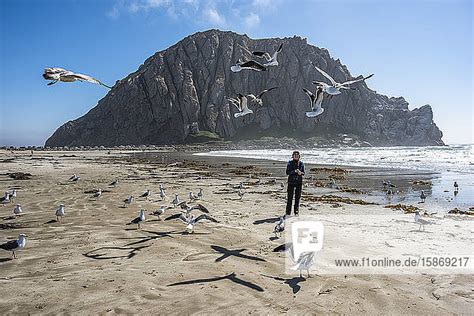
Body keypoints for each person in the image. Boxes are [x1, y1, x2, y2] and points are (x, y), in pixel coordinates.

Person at [286, 151, 305, 216]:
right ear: (292, 156)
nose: (296, 156)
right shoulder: (289, 163)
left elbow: (303, 173)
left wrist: (300, 173)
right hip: (291, 182)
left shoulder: (301, 163)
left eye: (297, 155)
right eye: (295, 155)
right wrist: (294, 171)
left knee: (297, 197)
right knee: (290, 198)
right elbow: (287, 172)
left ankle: (296, 212)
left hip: (299, 182)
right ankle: (288, 212)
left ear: (299, 156)